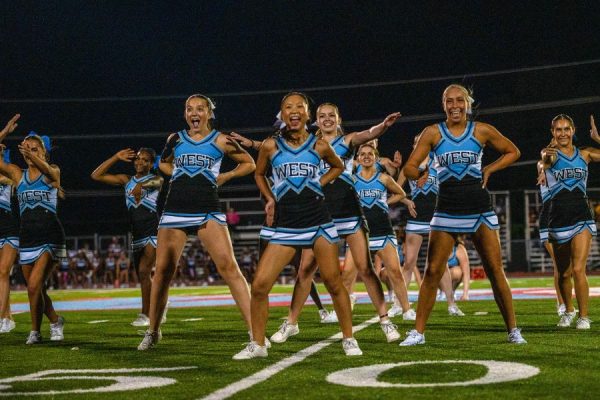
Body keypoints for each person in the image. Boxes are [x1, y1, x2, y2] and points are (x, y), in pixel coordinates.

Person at [233, 93, 361, 359]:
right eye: (287, 107)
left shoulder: (320, 145)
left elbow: (337, 167)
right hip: (286, 224)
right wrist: (270, 198)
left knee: (333, 283)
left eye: (299, 107)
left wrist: (319, 184)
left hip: (318, 222)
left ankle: (349, 338)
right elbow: (259, 173)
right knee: (259, 285)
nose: (293, 111)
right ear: (282, 114)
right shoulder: (270, 146)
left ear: (306, 115)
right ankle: (258, 345)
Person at [268, 104, 407, 346]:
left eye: (331, 115)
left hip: (349, 213)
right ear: (316, 121)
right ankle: (291, 323)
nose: (327, 119)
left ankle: (385, 321)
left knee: (365, 269)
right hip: (320, 215)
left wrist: (383, 127)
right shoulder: (310, 145)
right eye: (322, 116)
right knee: (305, 270)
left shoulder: (347, 141)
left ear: (339, 119)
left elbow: (368, 134)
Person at [400, 84, 526, 346]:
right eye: (449, 101)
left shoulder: (481, 130)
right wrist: (419, 174)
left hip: (479, 207)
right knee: (433, 270)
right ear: (443, 104)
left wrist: (490, 168)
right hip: (446, 207)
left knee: (494, 269)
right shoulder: (432, 132)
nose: (455, 105)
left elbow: (513, 151)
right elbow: (410, 166)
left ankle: (513, 330)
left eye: (460, 100)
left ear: (468, 103)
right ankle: (418, 333)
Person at [138, 94, 256, 350]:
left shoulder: (221, 140)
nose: (194, 113)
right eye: (189, 109)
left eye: (200, 108)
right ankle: (153, 331)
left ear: (209, 114)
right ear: (185, 114)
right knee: (163, 273)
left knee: (229, 268)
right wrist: (177, 172)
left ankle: (255, 333)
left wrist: (226, 176)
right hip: (175, 209)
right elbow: (164, 165)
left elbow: (250, 163)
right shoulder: (175, 138)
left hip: (207, 209)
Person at [0, 116, 67, 345]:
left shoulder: (52, 170)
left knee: (32, 285)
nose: (29, 152)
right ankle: (56, 321)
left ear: (43, 152)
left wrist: (33, 157)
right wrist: (4, 133)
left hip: (50, 235)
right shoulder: (17, 175)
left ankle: (35, 331)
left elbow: (50, 172)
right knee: (36, 289)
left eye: (34, 149)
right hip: (27, 237)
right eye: (26, 149)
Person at [540, 114, 600, 329]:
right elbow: (544, 160)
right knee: (563, 272)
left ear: (573, 130)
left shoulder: (585, 154)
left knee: (578, 269)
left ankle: (584, 317)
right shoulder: (551, 154)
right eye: (558, 129)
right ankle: (568, 310)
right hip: (558, 217)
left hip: (582, 214)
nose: (563, 133)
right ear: (553, 132)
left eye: (567, 129)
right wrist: (542, 168)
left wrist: (597, 138)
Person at [91, 147, 163, 326]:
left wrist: (140, 184)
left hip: (152, 229)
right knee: (142, 275)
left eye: (145, 160)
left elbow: (155, 182)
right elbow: (96, 175)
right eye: (138, 159)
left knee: (144, 272)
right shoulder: (126, 180)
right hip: (136, 232)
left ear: (152, 163)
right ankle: (160, 303)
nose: (140, 162)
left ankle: (146, 315)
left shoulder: (156, 178)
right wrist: (116, 156)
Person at [353, 143, 416, 319]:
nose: (366, 156)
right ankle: (344, 308)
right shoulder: (351, 179)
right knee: (348, 275)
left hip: (383, 229)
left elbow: (402, 193)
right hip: (360, 231)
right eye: (362, 154)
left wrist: (385, 202)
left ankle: (406, 309)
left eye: (370, 154)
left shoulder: (383, 178)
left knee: (395, 271)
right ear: (357, 158)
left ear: (375, 157)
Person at [535, 150, 566, 316]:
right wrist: (542, 170)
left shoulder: (574, 161)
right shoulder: (543, 164)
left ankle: (567, 302)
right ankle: (561, 304)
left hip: (569, 215)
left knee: (572, 266)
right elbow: (542, 161)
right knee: (558, 263)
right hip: (549, 216)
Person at [0, 120, 20, 334]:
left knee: (3, 270)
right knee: (0, 274)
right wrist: (4, 132)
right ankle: (8, 316)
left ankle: (3, 318)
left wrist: (3, 136)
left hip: (8, 224)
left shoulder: (10, 173)